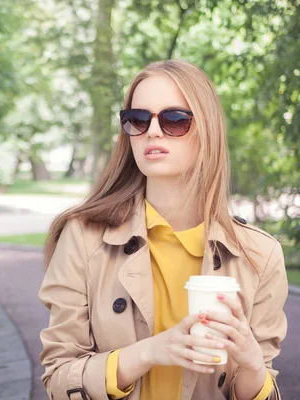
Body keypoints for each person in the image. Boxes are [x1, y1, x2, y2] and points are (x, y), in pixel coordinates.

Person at [38, 59, 288, 400]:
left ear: (208, 130)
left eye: (174, 120)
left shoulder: (260, 256)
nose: (152, 131)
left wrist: (253, 366)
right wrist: (148, 353)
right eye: (138, 120)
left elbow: (262, 388)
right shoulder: (83, 237)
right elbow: (58, 379)